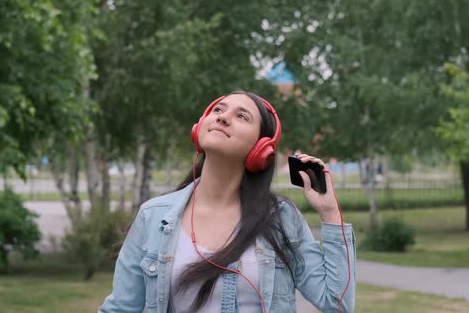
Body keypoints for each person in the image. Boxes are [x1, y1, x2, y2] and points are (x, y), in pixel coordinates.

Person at [98, 91, 356, 313]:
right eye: (218, 110)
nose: (222, 117)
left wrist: (329, 211)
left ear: (261, 149)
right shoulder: (153, 216)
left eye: (241, 116)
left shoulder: (282, 217)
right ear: (199, 128)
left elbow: (337, 303)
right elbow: (120, 308)